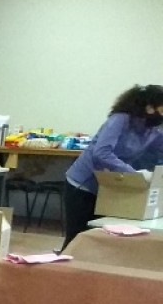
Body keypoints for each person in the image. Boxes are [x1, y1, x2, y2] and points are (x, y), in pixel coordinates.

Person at [62, 84, 163, 249]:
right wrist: (134, 174)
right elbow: (101, 153)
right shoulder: (120, 119)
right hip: (83, 186)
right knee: (77, 238)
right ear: (149, 107)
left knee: (103, 238)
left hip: (111, 187)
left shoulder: (153, 129)